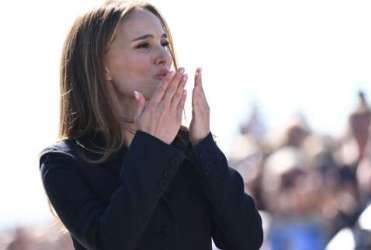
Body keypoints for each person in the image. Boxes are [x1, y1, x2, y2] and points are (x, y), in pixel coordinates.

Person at [38, 1, 263, 249]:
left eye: (164, 43)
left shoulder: (187, 148)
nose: (164, 57)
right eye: (143, 45)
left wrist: (204, 144)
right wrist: (152, 148)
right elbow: (110, 242)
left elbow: (246, 240)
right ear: (101, 66)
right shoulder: (63, 161)